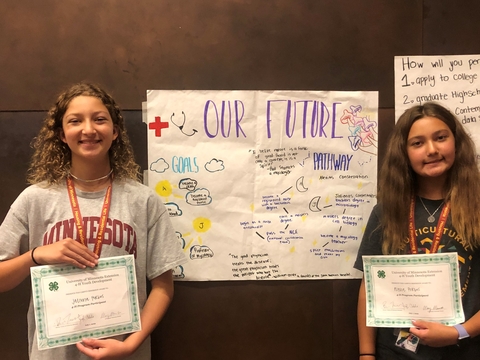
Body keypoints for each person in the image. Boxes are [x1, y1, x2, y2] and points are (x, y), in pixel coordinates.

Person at [0, 82, 186, 359]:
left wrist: (130, 344)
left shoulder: (143, 200)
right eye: (75, 121)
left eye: (100, 119)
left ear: (115, 132)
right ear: (62, 135)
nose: (88, 129)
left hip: (123, 354)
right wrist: (35, 256)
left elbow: (162, 286)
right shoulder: (34, 199)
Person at [354, 102, 480, 359]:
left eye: (440, 138)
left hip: (462, 349)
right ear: (404, 153)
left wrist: (459, 332)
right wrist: (366, 355)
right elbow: (370, 288)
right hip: (395, 352)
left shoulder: (476, 207)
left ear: (456, 142)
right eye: (418, 143)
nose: (432, 150)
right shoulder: (386, 211)